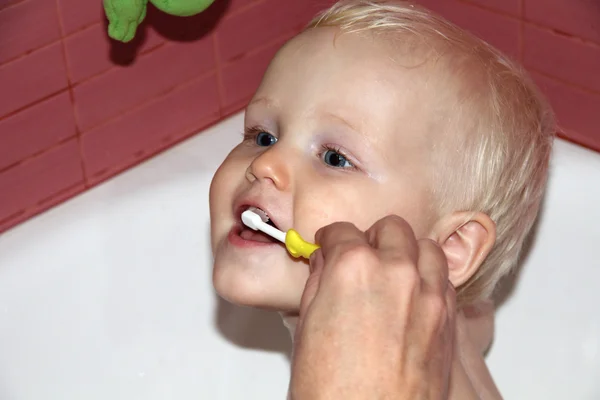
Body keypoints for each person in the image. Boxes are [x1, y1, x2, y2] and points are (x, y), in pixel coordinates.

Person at [209, 0, 554, 397]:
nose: (267, 163)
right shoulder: (441, 324)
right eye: (263, 136)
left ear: (451, 247)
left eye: (335, 158)